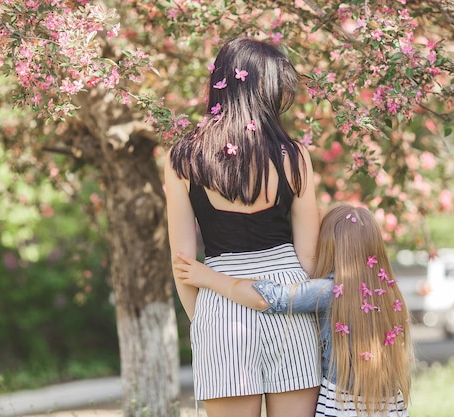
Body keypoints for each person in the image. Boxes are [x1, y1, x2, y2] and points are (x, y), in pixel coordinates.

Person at [164, 36, 321, 417]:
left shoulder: (183, 159)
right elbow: (312, 259)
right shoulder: (294, 156)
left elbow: (182, 262)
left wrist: (205, 317)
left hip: (219, 305)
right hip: (290, 305)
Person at [175, 204, 413, 417]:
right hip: (392, 407)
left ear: (329, 245)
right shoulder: (389, 295)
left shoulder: (328, 291)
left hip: (338, 408)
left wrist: (209, 278)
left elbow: (267, 299)